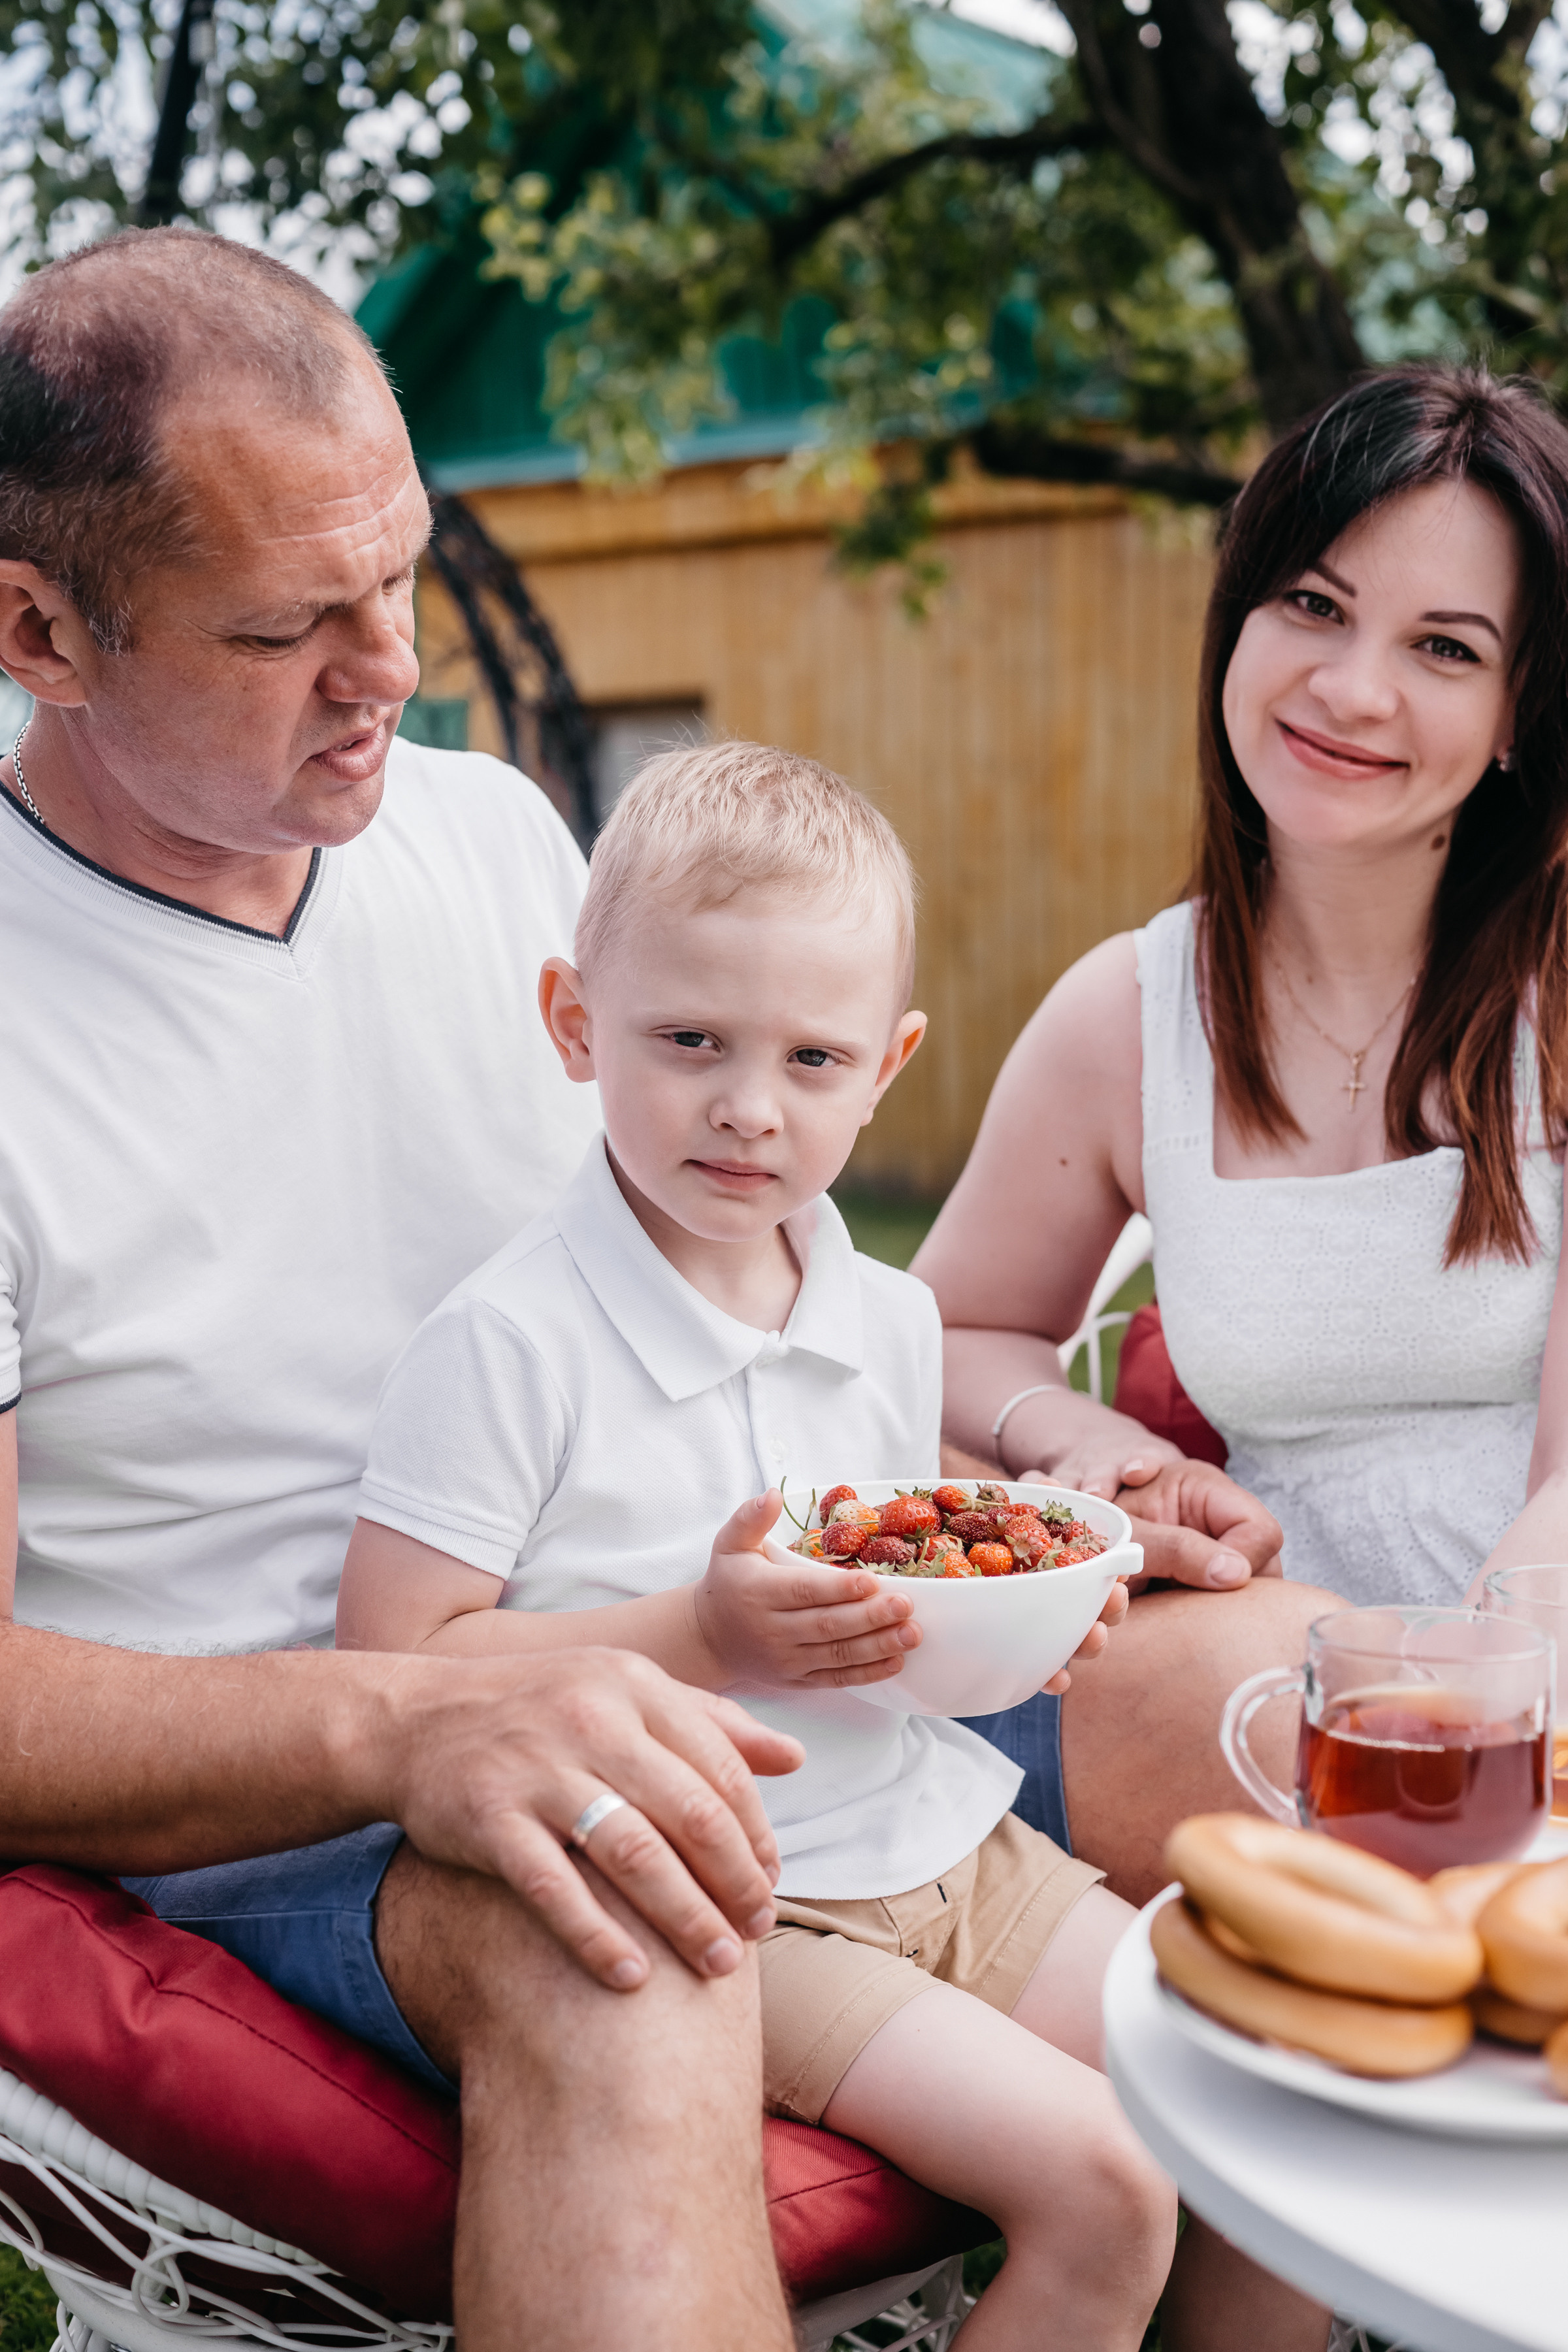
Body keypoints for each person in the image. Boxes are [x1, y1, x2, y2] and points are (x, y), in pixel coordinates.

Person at [0, 225, 803, 2352]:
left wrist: (1014, 1452)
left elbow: (684, 1294)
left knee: (1267, 1676)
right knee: (617, 1940)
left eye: (405, 577)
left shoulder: (499, 843)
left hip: (666, 1638)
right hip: (271, 1793)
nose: (394, 668)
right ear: (37, 631)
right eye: (287, 628)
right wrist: (407, 1716)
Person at [336, 742, 1330, 2352]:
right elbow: (395, 1667)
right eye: (688, 1041)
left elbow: (897, 1601)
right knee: (1108, 2183)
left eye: (813, 1058)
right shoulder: (509, 1341)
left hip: (946, 1835)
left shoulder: (887, 1317)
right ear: (575, 1027)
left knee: (1270, 2102)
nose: (748, 1106)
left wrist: (1026, 1621)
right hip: (749, 1899)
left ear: (888, 1067)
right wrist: (705, 1633)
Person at [917, 366, 1568, 1626]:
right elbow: (949, 1330)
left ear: (1515, 713)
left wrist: (1446, 1729)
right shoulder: (1129, 1014)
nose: (1352, 689)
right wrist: (1082, 1436)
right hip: (1248, 1692)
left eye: (1445, 647)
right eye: (1315, 605)